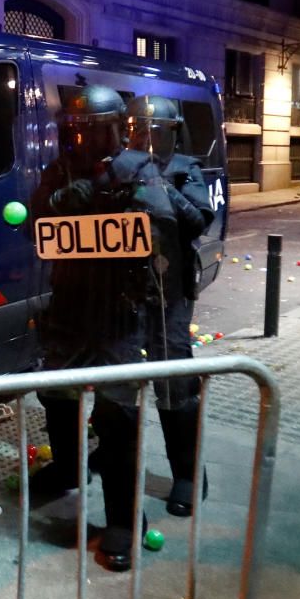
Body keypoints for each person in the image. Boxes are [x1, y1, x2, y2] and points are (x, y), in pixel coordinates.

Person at [30, 84, 148, 572]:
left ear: (116, 129)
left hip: (120, 311)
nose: (85, 141)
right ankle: (68, 467)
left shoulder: (139, 169)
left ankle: (123, 517)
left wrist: (119, 200)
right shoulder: (59, 172)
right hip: (71, 308)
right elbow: (34, 222)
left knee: (117, 415)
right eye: (77, 132)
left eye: (95, 131)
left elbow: (162, 223)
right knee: (57, 395)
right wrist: (67, 198)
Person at [121, 94, 214, 516]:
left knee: (174, 380)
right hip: (125, 291)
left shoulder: (184, 169)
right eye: (138, 130)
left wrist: (158, 188)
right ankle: (112, 455)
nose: (145, 137)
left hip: (169, 292)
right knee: (119, 381)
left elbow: (198, 219)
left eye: (153, 130)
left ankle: (188, 473)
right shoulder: (121, 165)